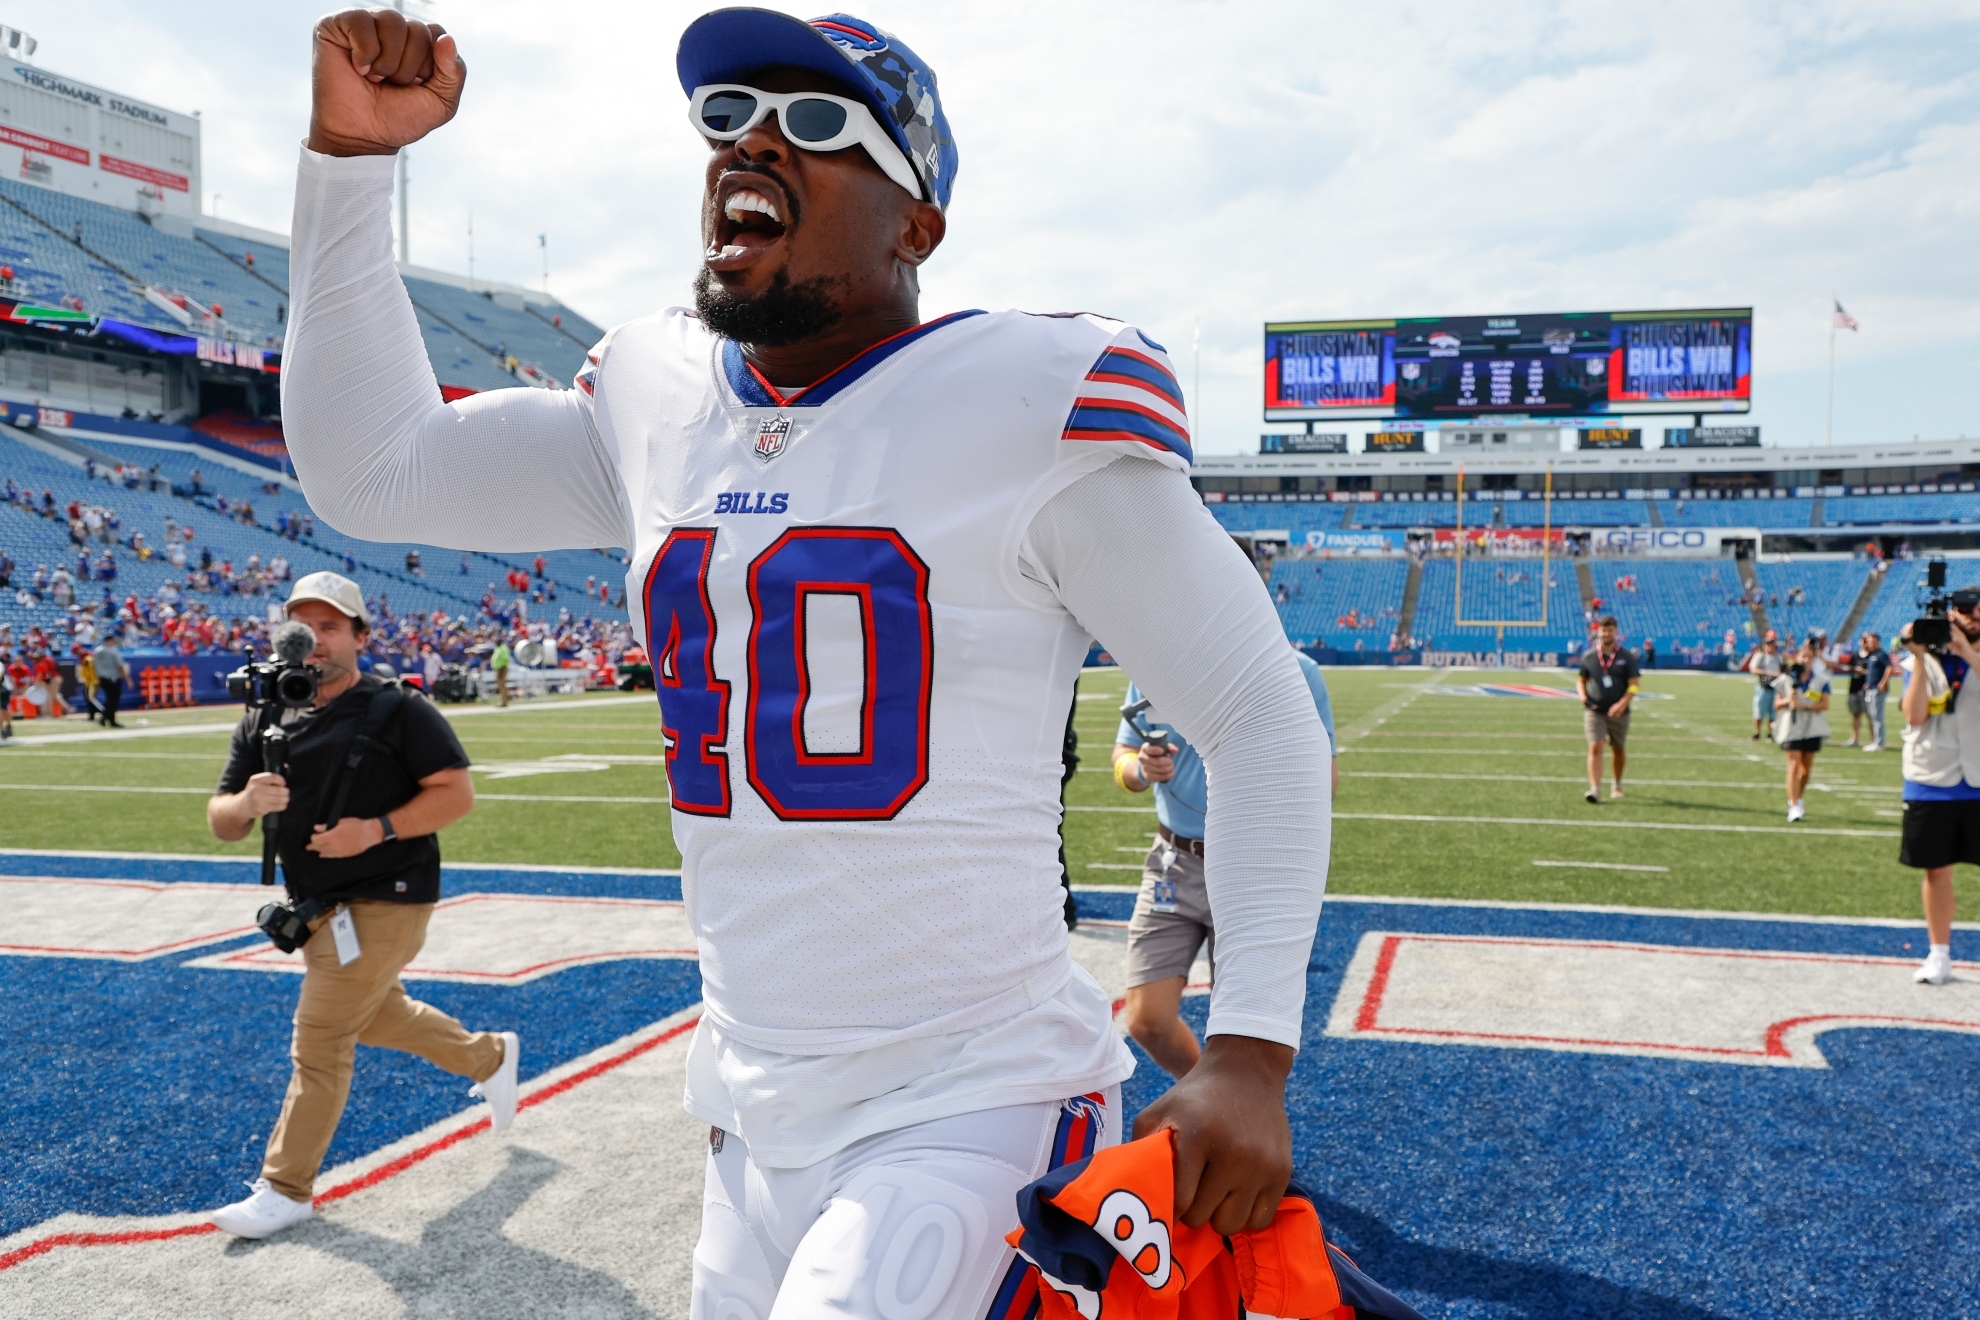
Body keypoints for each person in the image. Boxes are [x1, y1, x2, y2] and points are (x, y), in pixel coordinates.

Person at [285, 11, 1330, 1315]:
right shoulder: (662, 398)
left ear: (916, 225)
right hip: (747, 1107)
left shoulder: (1028, 402)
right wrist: (348, 162)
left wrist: (1252, 1050)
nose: (756, 142)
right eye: (728, 119)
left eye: (823, 126)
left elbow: (1260, 715)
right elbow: (370, 468)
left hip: (974, 1098)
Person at [203, 572, 517, 1239]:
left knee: (319, 1039)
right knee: (378, 1019)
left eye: (330, 627)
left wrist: (373, 829)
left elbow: (455, 794)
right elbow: (221, 819)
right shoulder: (263, 712)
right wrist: (246, 804)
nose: (313, 640)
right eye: (302, 626)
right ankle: (490, 1057)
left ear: (360, 636)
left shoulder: (396, 708)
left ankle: (286, 1188)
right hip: (318, 906)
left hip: (390, 896)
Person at [1112, 643, 1335, 1078]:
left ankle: (1227, 1113)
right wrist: (1140, 770)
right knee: (1145, 1019)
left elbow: (1323, 778)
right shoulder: (1154, 662)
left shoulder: (1296, 671)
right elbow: (1122, 756)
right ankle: (1208, 1096)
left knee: (1244, 1039)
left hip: (1251, 864)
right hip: (1172, 861)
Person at [1896, 595, 1980, 984]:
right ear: (1951, 615)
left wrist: (1966, 652)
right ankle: (1939, 954)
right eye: (1966, 613)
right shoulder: (1925, 659)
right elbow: (1914, 715)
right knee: (1936, 869)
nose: (1973, 619)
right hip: (1933, 777)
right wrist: (1916, 657)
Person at [1576, 616, 1638, 803]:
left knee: (1618, 748)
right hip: (1595, 710)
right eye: (1603, 630)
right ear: (1598, 631)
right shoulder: (1589, 656)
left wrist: (1622, 704)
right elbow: (1581, 680)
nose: (1606, 633)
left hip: (1619, 712)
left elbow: (1634, 685)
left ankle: (1617, 783)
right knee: (1596, 745)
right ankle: (1595, 789)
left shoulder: (1626, 657)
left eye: (1610, 630)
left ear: (1616, 632)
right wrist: (1583, 697)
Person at [1774, 637, 1830, 823]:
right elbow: (1777, 703)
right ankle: (1794, 804)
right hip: (1791, 727)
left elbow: (1824, 704)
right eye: (1803, 657)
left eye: (1809, 657)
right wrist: (1787, 701)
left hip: (1812, 727)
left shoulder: (1821, 680)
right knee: (1794, 765)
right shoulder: (1786, 679)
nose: (1806, 660)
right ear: (1797, 657)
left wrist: (1804, 706)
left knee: (1806, 770)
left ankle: (1798, 797)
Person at [1742, 632, 1783, 740]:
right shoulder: (1760, 656)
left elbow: (1783, 670)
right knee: (1759, 712)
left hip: (1775, 688)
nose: (1769, 646)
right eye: (1768, 643)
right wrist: (1769, 673)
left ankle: (1771, 733)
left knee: (1773, 713)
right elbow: (1753, 669)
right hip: (1763, 687)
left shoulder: (1778, 657)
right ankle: (1757, 732)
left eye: (1771, 643)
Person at [1861, 631, 1892, 752]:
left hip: (1877, 690)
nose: (1870, 644)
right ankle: (1875, 740)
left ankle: (1879, 742)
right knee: (1873, 716)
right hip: (1871, 688)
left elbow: (1890, 667)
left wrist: (1883, 682)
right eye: (1869, 642)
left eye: (1872, 641)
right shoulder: (1872, 654)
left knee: (1877, 717)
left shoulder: (1881, 654)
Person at [93, 633, 126, 728]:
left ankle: (106, 718)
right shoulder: (113, 651)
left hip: (102, 678)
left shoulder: (97, 651)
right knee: (113, 700)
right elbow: (119, 665)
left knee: (109, 698)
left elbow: (94, 666)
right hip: (113, 678)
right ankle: (107, 717)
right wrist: (127, 678)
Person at [490, 635, 512, 707]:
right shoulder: (499, 648)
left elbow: (505, 659)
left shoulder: (503, 648)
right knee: (501, 686)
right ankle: (503, 701)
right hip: (499, 669)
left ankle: (504, 702)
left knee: (502, 686)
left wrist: (502, 669)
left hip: (501, 669)